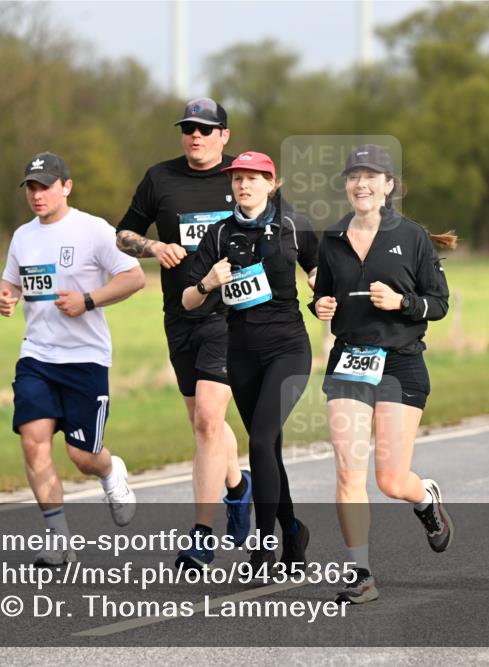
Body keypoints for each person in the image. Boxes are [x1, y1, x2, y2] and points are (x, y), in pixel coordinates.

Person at [310, 144, 457, 604]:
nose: (362, 183)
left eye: (372, 175)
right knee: (348, 469)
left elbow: (439, 303)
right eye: (354, 175)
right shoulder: (332, 237)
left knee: (390, 480)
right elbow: (323, 297)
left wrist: (402, 303)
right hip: (350, 358)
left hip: (400, 361)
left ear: (389, 186)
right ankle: (360, 573)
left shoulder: (411, 236)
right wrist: (320, 305)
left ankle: (424, 497)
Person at [115, 98, 251, 570]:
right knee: (202, 424)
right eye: (188, 129)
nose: (196, 136)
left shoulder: (243, 176)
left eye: (206, 129)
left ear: (224, 136)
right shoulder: (160, 178)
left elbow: (286, 228)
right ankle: (238, 485)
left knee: (211, 421)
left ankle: (201, 534)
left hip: (231, 318)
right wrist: (152, 245)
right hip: (180, 314)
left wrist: (316, 270)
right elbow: (124, 233)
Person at [0, 151, 145, 566]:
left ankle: (111, 470)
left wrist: (88, 300)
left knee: (82, 457)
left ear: (66, 186)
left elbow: (134, 277)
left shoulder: (93, 230)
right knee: (33, 442)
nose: (37, 194)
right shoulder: (22, 237)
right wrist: (5, 297)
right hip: (37, 356)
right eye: (31, 187)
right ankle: (59, 539)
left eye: (45, 186)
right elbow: (12, 283)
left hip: (85, 359)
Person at [182, 152, 318, 571]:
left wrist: (323, 293)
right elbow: (189, 300)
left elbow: (321, 277)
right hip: (240, 354)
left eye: (253, 178)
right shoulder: (220, 233)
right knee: (269, 450)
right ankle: (293, 533)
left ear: (271, 183)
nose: (244, 185)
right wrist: (208, 282)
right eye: (238, 178)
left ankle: (263, 546)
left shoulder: (294, 226)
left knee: (259, 441)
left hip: (288, 350)